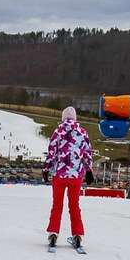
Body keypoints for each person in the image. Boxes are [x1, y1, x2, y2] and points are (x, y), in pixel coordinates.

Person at [43, 106, 93, 250]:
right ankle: (77, 236)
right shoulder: (82, 133)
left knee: (57, 205)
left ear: (63, 118)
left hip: (59, 175)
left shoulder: (58, 132)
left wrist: (46, 169)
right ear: (75, 118)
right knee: (74, 206)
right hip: (76, 176)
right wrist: (89, 171)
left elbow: (51, 153)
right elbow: (87, 153)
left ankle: (53, 233)